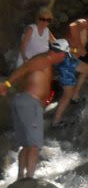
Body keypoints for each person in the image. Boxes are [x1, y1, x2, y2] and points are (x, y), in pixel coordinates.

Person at [0, 39, 71, 179]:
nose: (64, 58)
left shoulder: (45, 60)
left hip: (26, 102)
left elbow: (25, 74)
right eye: (65, 55)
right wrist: (6, 85)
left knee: (27, 144)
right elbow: (23, 69)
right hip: (29, 104)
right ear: (59, 53)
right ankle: (30, 179)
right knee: (33, 145)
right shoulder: (43, 60)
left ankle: (21, 177)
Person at [51, 17, 88, 127]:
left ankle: (75, 95)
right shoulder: (82, 22)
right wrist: (80, 47)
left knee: (86, 69)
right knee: (67, 94)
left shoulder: (83, 28)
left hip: (70, 58)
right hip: (65, 61)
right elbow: (72, 26)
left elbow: (81, 36)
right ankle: (56, 121)